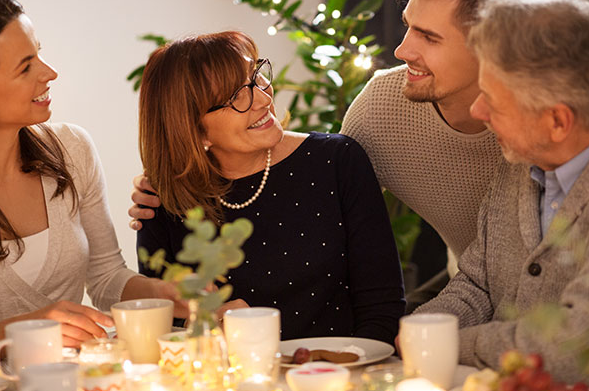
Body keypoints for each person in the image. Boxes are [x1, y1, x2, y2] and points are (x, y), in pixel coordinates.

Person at [128, 0, 589, 310]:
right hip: (482, 314)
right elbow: (305, 176)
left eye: (428, 37)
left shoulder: (588, 138)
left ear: (491, 44)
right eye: (407, 24)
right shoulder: (381, 113)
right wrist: (171, 180)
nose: (401, 50)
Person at [0, 0, 184, 365]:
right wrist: (27, 329)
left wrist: (167, 294)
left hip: (82, 385)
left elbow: (105, 278)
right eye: (25, 66)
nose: (49, 73)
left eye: (39, 53)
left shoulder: (72, 149)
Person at [410, 0, 589, 382]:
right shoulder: (523, 154)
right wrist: (422, 328)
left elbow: (576, 347)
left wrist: (447, 345)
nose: (478, 112)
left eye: (493, 102)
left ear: (558, 122)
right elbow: (480, 281)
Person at [136, 31, 404, 346]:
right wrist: (207, 325)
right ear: (193, 130)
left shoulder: (337, 161)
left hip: (344, 376)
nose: (263, 98)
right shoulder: (162, 199)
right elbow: (165, 321)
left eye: (256, 76)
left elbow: (382, 306)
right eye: (235, 96)